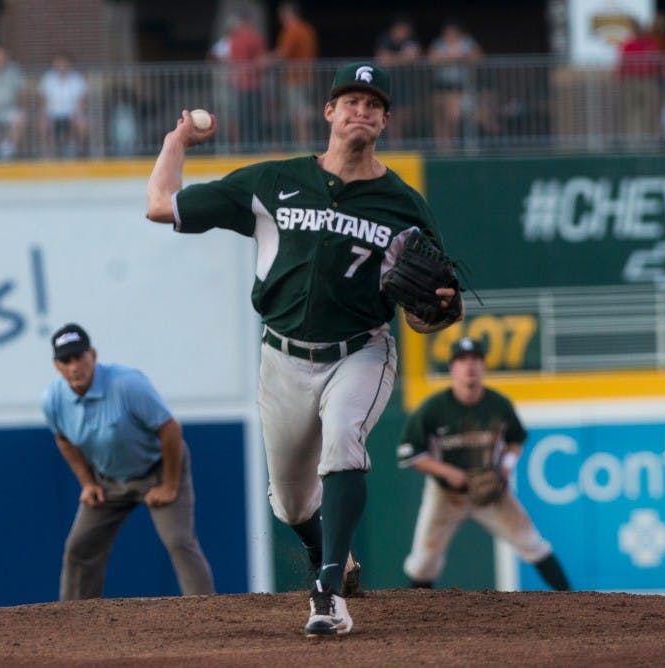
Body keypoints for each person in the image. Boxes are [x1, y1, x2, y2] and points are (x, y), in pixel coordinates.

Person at [144, 62, 463, 637]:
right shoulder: (272, 182)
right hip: (282, 357)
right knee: (290, 505)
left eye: (372, 104)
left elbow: (433, 311)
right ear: (329, 112)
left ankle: (328, 592)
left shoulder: (404, 204)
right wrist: (175, 142)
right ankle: (335, 560)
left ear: (385, 120)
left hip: (360, 351)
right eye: (350, 100)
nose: (360, 111)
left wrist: (435, 312)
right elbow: (160, 204)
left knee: (343, 437)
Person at [42, 323, 215, 600]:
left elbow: (170, 429)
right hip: (108, 480)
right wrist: (87, 482)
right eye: (66, 360)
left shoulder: (127, 384)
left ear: (93, 355)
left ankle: (208, 615)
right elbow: (62, 438)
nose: (74, 366)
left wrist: (170, 484)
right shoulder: (53, 399)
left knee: (179, 541)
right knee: (79, 547)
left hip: (158, 470)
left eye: (79, 357)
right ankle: (74, 623)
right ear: (57, 366)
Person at [397, 337, 571, 593]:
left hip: (491, 491)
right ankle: (414, 618)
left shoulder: (497, 405)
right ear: (452, 367)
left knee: (532, 544)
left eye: (475, 360)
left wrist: (507, 465)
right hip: (446, 495)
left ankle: (574, 600)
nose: (470, 366)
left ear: (483, 366)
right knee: (423, 562)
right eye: (463, 360)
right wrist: (447, 472)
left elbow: (516, 440)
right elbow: (410, 454)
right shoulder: (434, 409)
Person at [427, 19, 482, 152]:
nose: (450, 35)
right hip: (441, 85)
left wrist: (462, 57)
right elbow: (432, 59)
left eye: (453, 32)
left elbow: (478, 57)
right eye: (447, 32)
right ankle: (441, 146)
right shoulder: (439, 43)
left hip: (458, 86)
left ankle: (451, 145)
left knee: (453, 116)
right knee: (440, 116)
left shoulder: (467, 42)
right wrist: (450, 58)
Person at [270, 1, 318, 148]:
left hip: (294, 78)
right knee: (304, 111)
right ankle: (306, 142)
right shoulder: (308, 29)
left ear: (287, 14)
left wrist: (265, 59)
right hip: (308, 76)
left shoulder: (291, 30)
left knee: (298, 114)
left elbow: (282, 54)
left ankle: (302, 145)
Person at [375, 13, 424, 145]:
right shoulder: (385, 39)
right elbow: (382, 58)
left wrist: (395, 59)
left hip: (406, 83)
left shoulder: (412, 41)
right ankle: (394, 144)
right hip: (389, 84)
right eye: (401, 29)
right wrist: (402, 58)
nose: (404, 32)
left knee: (405, 115)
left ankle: (402, 142)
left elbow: (414, 56)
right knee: (391, 115)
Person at [617, 17, 663, 146]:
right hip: (632, 81)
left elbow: (657, 60)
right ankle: (635, 140)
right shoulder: (629, 44)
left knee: (650, 110)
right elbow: (623, 63)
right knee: (633, 112)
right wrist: (621, 78)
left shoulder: (650, 42)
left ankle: (649, 139)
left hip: (648, 80)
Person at [227, 11, 267, 150]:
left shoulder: (233, 39)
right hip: (253, 83)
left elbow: (231, 59)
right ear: (248, 22)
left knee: (240, 117)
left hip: (238, 83)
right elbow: (260, 60)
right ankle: (254, 146)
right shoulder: (255, 38)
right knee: (254, 117)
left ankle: (241, 147)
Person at [37, 52, 89, 158]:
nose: (61, 65)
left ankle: (78, 151)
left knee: (82, 123)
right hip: (52, 113)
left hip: (72, 112)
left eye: (64, 63)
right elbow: (43, 100)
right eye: (58, 63)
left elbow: (82, 100)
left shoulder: (77, 78)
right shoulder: (48, 78)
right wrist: (44, 114)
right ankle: (48, 154)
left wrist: (78, 113)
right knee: (43, 123)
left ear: (69, 64)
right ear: (54, 64)